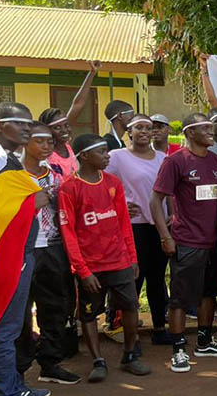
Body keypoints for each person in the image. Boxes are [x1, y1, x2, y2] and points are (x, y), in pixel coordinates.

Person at [0, 102, 52, 396]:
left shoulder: (6, 159)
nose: (25, 128)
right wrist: (33, 201)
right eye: (17, 122)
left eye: (28, 122)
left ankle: (14, 387)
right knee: (2, 329)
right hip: (4, 256)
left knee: (14, 324)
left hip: (20, 251)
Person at [59, 134, 150, 381]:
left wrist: (132, 258)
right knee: (88, 313)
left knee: (131, 306)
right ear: (85, 156)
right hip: (91, 266)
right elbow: (68, 233)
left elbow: (123, 223)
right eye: (101, 151)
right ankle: (98, 362)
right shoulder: (69, 188)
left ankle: (130, 355)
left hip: (119, 261)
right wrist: (82, 270)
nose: (108, 155)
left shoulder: (113, 183)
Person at [150, 113, 217, 373]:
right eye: (205, 128)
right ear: (189, 132)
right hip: (187, 240)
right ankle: (179, 348)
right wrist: (166, 236)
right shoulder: (175, 161)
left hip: (214, 242)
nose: (211, 131)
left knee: (209, 293)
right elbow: (156, 201)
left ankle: (205, 340)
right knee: (181, 299)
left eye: (211, 127)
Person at [16, 123, 79, 385]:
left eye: (49, 142)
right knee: (20, 312)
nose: (45, 147)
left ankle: (50, 363)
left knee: (55, 305)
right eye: (39, 141)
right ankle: (17, 371)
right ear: (24, 143)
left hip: (53, 246)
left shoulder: (54, 174)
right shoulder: (13, 175)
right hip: (23, 248)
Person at [106, 115, 170, 345]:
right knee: (133, 279)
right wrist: (118, 205)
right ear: (129, 132)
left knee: (157, 279)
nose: (144, 131)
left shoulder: (162, 158)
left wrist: (171, 214)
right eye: (139, 127)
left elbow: (168, 191)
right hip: (134, 227)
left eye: (149, 128)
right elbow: (100, 184)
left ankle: (160, 329)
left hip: (159, 226)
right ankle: (127, 334)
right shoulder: (117, 157)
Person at [38, 60, 99, 178]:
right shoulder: (46, 155)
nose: (64, 130)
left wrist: (91, 73)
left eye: (66, 125)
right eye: (57, 127)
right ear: (47, 131)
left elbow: (78, 104)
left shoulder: (66, 145)